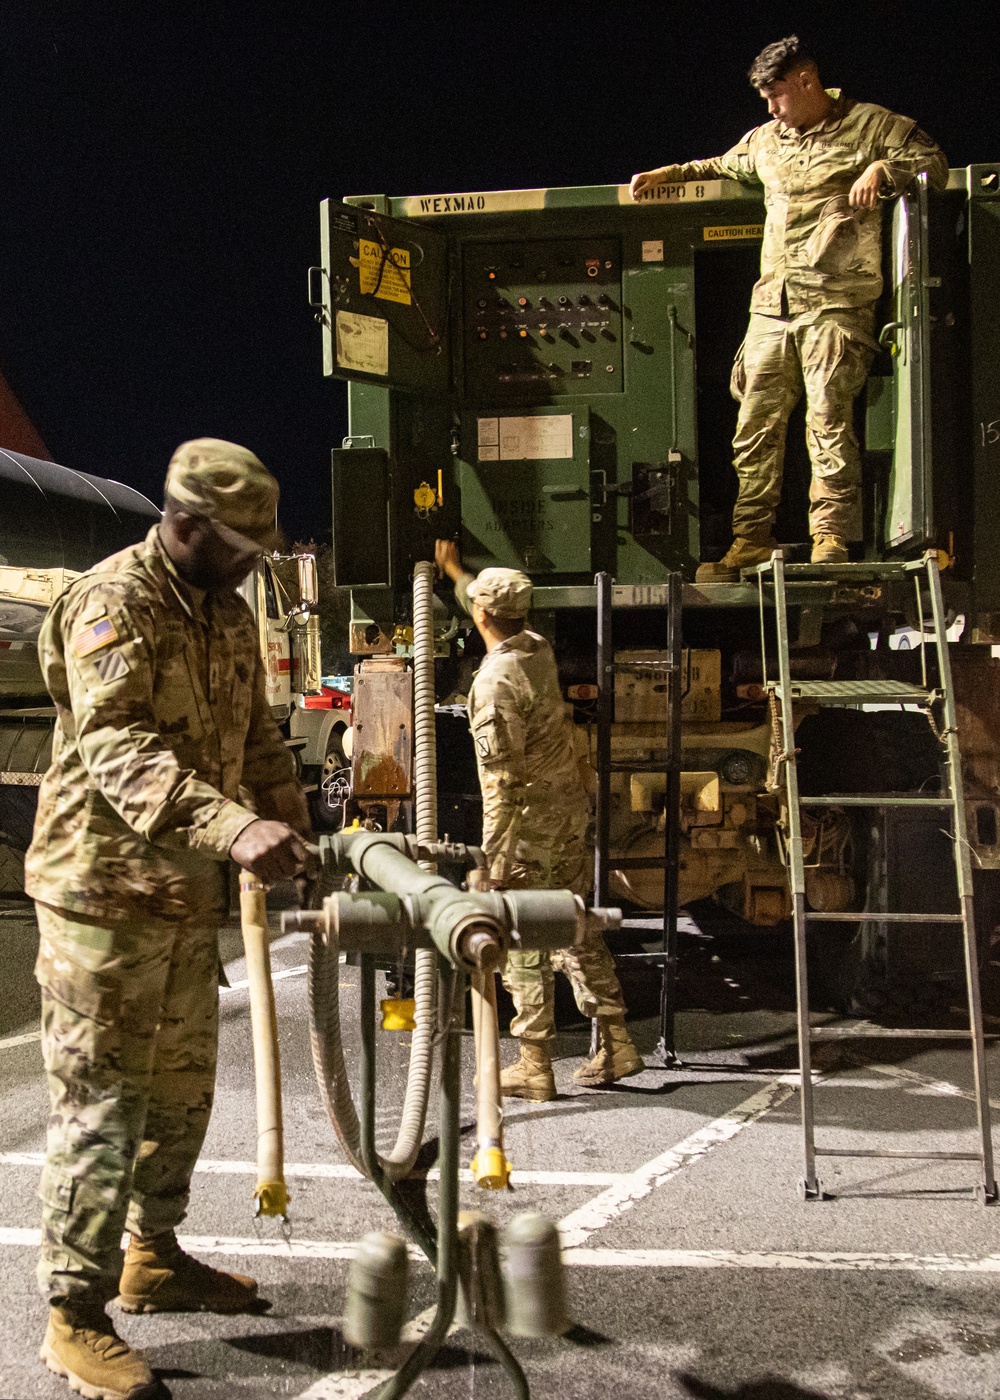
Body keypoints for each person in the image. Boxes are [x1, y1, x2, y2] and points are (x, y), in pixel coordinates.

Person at [25, 438, 310, 1399]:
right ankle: (72, 1313)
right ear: (185, 523)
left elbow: (256, 728)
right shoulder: (113, 603)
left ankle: (153, 1255)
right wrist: (237, 828)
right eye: (238, 543)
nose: (249, 562)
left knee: (180, 1090)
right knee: (101, 1106)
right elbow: (119, 747)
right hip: (102, 897)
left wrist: (294, 814)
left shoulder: (224, 613)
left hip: (184, 895)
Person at [630, 35, 948, 580]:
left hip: (836, 304)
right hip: (772, 308)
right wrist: (668, 175)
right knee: (753, 429)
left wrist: (882, 172)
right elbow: (721, 165)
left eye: (777, 94)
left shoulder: (869, 126)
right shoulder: (768, 140)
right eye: (766, 100)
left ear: (805, 81)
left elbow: (932, 163)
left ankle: (830, 539)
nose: (772, 108)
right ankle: (750, 540)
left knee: (827, 425)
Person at [435, 539, 642, 1103]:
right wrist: (456, 572)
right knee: (572, 928)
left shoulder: (493, 684)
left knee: (524, 938)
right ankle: (617, 1041)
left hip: (529, 829)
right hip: (568, 815)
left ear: (481, 615)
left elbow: (501, 783)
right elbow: (486, 608)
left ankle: (533, 1064)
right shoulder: (537, 648)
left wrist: (490, 864)